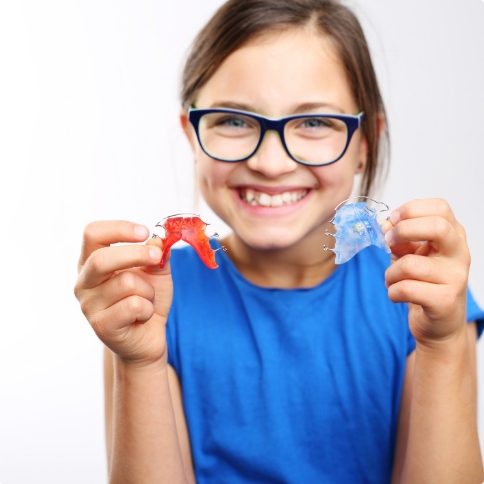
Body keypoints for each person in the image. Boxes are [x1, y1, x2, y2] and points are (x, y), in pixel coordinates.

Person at [74, 0, 484, 482]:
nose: (271, 163)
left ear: (365, 142)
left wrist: (444, 342)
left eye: (313, 123)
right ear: (191, 133)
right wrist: (139, 361)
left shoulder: (419, 296)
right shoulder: (150, 302)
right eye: (233, 119)